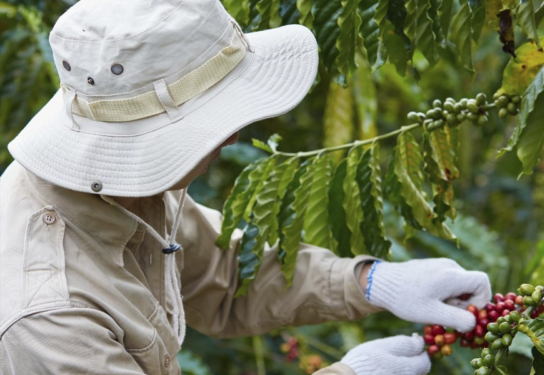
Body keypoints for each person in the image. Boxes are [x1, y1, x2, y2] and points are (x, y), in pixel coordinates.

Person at [0, 0, 492, 374]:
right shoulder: (48, 319)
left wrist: (370, 281)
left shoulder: (118, 189)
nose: (233, 136)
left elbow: (223, 273)